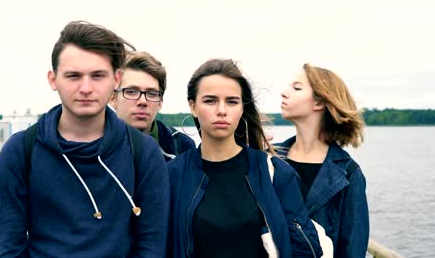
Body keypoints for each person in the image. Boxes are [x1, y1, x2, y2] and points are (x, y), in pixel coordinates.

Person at [0, 21, 170, 258]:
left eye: (98, 75)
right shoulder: (19, 151)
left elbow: (151, 247)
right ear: (53, 79)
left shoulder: (144, 152)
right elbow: (9, 249)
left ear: (116, 80)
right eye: (73, 76)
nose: (86, 88)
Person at [166, 59, 323, 258]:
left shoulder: (274, 173)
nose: (222, 110)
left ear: (241, 108)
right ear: (193, 106)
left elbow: (305, 249)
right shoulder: (172, 175)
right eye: (210, 100)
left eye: (232, 101)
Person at [276, 63, 369, 257]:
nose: (284, 93)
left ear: (319, 103)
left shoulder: (349, 174)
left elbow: (353, 249)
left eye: (296, 88)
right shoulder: (269, 160)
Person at [111, 51, 195, 161]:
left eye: (151, 93)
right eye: (131, 91)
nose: (143, 101)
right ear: (112, 98)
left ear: (160, 102)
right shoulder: (91, 146)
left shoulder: (182, 147)